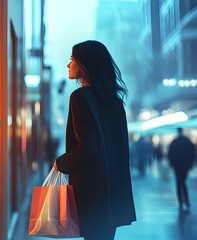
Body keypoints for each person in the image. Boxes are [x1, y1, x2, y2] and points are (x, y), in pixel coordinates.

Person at [53, 40, 136, 240]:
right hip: (113, 198)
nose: (68, 64)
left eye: (72, 59)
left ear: (84, 64)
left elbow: (87, 148)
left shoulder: (80, 97)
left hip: (92, 196)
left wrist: (60, 163)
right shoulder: (115, 102)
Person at [167, 127, 195, 212]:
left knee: (179, 182)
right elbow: (192, 153)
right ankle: (186, 201)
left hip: (177, 165)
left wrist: (172, 164)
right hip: (185, 165)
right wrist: (190, 164)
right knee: (183, 181)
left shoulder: (174, 142)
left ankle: (181, 201)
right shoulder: (187, 141)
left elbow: (170, 154)